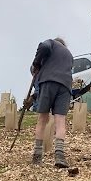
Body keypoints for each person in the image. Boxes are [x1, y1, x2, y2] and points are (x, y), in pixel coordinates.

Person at [30, 37, 73, 168]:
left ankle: (37, 156)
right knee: (60, 121)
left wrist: (37, 63)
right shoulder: (69, 55)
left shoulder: (51, 43)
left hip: (49, 81)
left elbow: (43, 47)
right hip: (65, 86)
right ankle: (59, 156)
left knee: (42, 118)